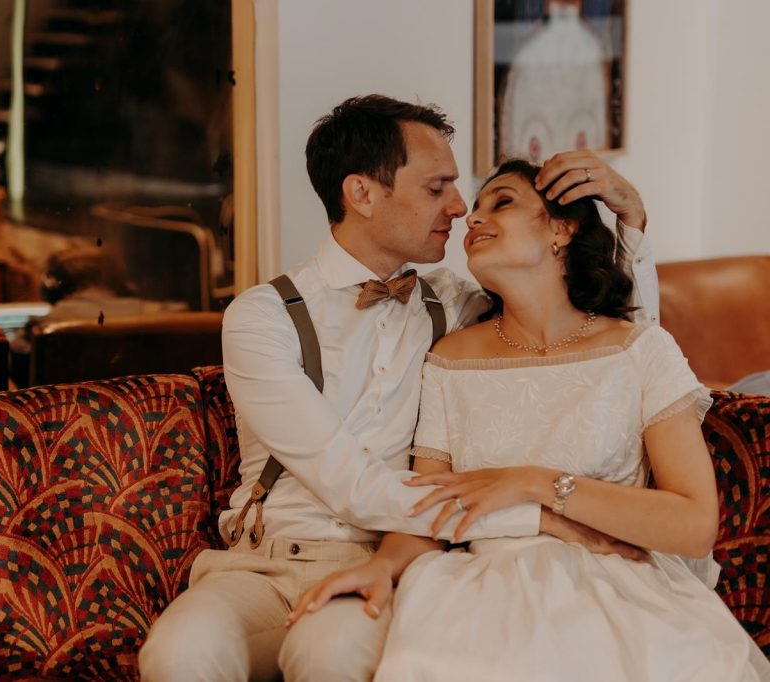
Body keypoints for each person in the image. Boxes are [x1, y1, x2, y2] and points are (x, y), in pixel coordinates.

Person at [138, 95, 659, 681]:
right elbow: (351, 484)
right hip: (260, 565)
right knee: (177, 653)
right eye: (438, 188)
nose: (460, 208)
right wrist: (535, 517)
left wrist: (629, 219)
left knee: (328, 653)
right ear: (361, 194)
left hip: (393, 559)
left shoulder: (459, 305)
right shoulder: (261, 317)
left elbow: (606, 351)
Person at [289, 159, 770, 680]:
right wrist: (381, 566)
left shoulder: (639, 350)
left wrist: (534, 483)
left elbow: (695, 526)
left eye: (502, 202)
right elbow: (427, 506)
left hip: (622, 586)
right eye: (473, 212)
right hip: (479, 586)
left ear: (562, 229)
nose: (472, 220)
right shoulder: (450, 358)